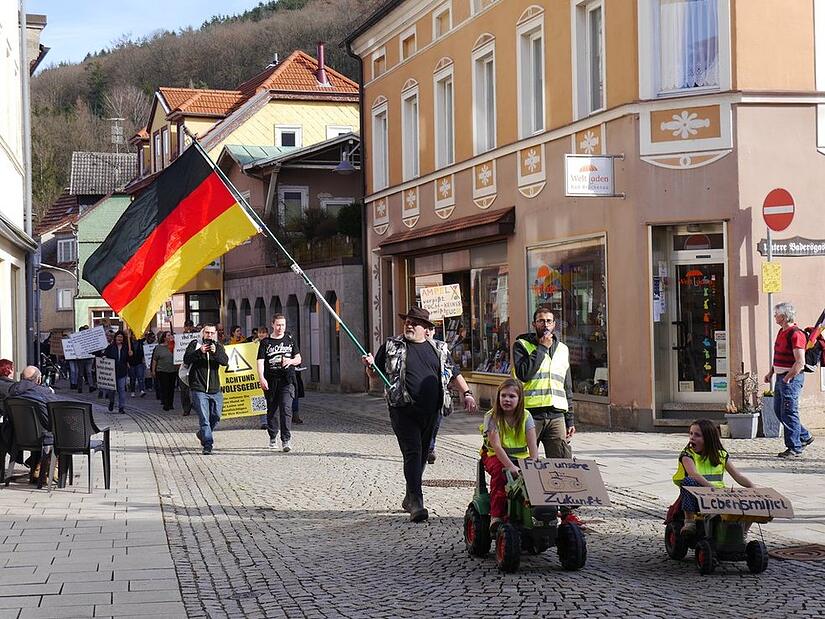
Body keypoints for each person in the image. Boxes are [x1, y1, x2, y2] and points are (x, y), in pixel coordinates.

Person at [361, 306, 472, 523]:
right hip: (402, 410)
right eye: (407, 322)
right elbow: (375, 376)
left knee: (421, 455)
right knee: (413, 452)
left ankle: (410, 496)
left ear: (425, 328)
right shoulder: (392, 346)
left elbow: (453, 372)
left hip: (431, 411)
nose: (409, 325)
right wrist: (369, 366)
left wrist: (467, 393)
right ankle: (417, 503)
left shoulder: (438, 348)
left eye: (414, 323)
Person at [513, 305, 575, 459]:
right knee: (525, 460)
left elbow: (567, 386)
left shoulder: (563, 349)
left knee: (561, 461)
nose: (545, 324)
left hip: (556, 415)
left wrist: (570, 419)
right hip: (530, 413)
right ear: (534, 324)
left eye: (549, 321)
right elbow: (524, 374)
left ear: (554, 324)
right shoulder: (521, 345)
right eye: (541, 321)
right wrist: (541, 348)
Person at [673, 418, 754, 534]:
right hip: (697, 497)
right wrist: (712, 489)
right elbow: (694, 474)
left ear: (708, 439)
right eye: (691, 433)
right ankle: (689, 522)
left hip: (719, 496)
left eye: (697, 435)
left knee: (751, 507)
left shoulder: (721, 455)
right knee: (688, 481)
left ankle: (742, 533)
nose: (692, 437)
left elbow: (737, 476)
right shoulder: (687, 454)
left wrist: (753, 487)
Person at [480, 379, 539, 531]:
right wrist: (511, 467)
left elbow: (533, 444)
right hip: (494, 456)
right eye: (503, 395)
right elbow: (496, 446)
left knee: (538, 475)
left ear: (519, 399)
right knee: (501, 474)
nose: (507, 399)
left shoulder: (526, 416)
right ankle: (496, 515)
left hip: (521, 457)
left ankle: (537, 512)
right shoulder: (491, 416)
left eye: (512, 396)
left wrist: (533, 462)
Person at [764, 302, 815, 458]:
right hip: (781, 377)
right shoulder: (782, 331)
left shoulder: (796, 334)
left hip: (791, 379)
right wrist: (771, 372)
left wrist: (787, 378)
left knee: (789, 412)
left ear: (784, 317)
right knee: (779, 411)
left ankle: (794, 447)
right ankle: (805, 436)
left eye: (777, 314)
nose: (775, 316)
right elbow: (778, 355)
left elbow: (800, 362)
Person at [424, 324, 478, 464]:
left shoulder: (440, 350)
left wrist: (467, 393)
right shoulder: (405, 348)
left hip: (436, 399)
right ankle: (419, 452)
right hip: (413, 400)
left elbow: (454, 373)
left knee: (433, 426)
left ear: (434, 331)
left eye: (430, 329)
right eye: (424, 328)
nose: (427, 332)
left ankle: (429, 448)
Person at [257, 314, 302, 452]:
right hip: (271, 380)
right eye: (278, 325)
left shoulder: (290, 340)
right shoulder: (265, 342)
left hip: (287, 380)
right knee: (272, 410)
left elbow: (298, 359)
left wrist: (291, 361)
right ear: (272, 324)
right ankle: (272, 436)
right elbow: (260, 362)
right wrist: (261, 378)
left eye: (283, 325)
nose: (280, 327)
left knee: (286, 408)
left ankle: (286, 439)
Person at [184, 324, 228, 455]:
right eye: (207, 332)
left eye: (212, 333)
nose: (209, 335)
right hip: (199, 388)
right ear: (203, 333)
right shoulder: (195, 344)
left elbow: (225, 361)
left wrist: (215, 353)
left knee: (216, 416)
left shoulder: (218, 346)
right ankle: (208, 444)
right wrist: (199, 352)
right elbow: (186, 359)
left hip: (215, 388)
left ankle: (202, 433)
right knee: (204, 418)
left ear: (215, 334)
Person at [8, 366, 57, 482]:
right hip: (41, 437)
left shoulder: (12, 392)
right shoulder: (44, 392)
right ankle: (52, 470)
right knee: (60, 433)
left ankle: (37, 467)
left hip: (18, 436)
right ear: (39, 379)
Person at [105, 330, 132, 414]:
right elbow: (105, 354)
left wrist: (130, 355)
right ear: (115, 337)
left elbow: (129, 360)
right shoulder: (111, 347)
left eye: (121, 337)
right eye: (118, 336)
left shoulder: (126, 348)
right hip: (112, 371)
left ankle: (121, 407)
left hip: (122, 371)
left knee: (121, 390)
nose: (120, 338)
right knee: (111, 390)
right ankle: (111, 401)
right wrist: (104, 357)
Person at [152, 332, 178, 411]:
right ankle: (166, 404)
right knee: (164, 387)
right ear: (164, 338)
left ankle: (170, 403)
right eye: (168, 335)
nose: (170, 336)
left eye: (171, 335)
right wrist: (153, 370)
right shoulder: (158, 347)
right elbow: (154, 360)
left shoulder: (174, 346)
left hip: (173, 370)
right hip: (162, 370)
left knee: (171, 387)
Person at [179, 320, 196, 417]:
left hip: (194, 365)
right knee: (184, 389)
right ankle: (186, 409)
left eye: (190, 326)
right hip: (183, 366)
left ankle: (196, 406)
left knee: (196, 388)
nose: (189, 328)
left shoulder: (197, 337)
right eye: (187, 326)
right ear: (184, 327)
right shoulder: (179, 338)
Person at [75, 326, 95, 394]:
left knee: (89, 372)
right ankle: (80, 387)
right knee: (81, 373)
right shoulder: (77, 339)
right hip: (81, 359)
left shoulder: (90, 339)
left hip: (88, 358)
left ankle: (91, 386)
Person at [128, 332, 146, 398]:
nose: (135, 336)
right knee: (132, 378)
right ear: (131, 335)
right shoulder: (128, 343)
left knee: (140, 377)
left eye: (136, 335)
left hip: (139, 362)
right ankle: (133, 391)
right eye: (133, 335)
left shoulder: (141, 342)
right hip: (131, 363)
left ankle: (141, 390)